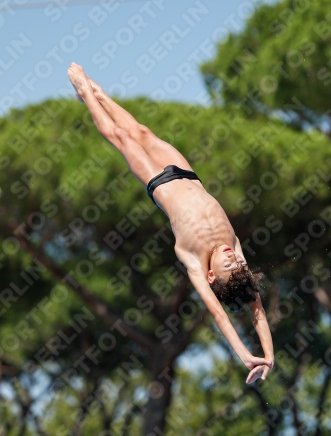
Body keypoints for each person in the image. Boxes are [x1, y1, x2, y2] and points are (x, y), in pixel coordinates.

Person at [67, 63, 274, 384]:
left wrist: (245, 355)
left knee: (122, 137)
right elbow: (256, 309)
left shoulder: (194, 263)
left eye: (227, 266)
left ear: (210, 275)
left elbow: (219, 314)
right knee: (143, 131)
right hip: (187, 173)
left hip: (158, 181)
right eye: (237, 264)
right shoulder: (235, 251)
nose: (233, 259)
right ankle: (97, 93)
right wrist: (269, 356)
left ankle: (83, 90)